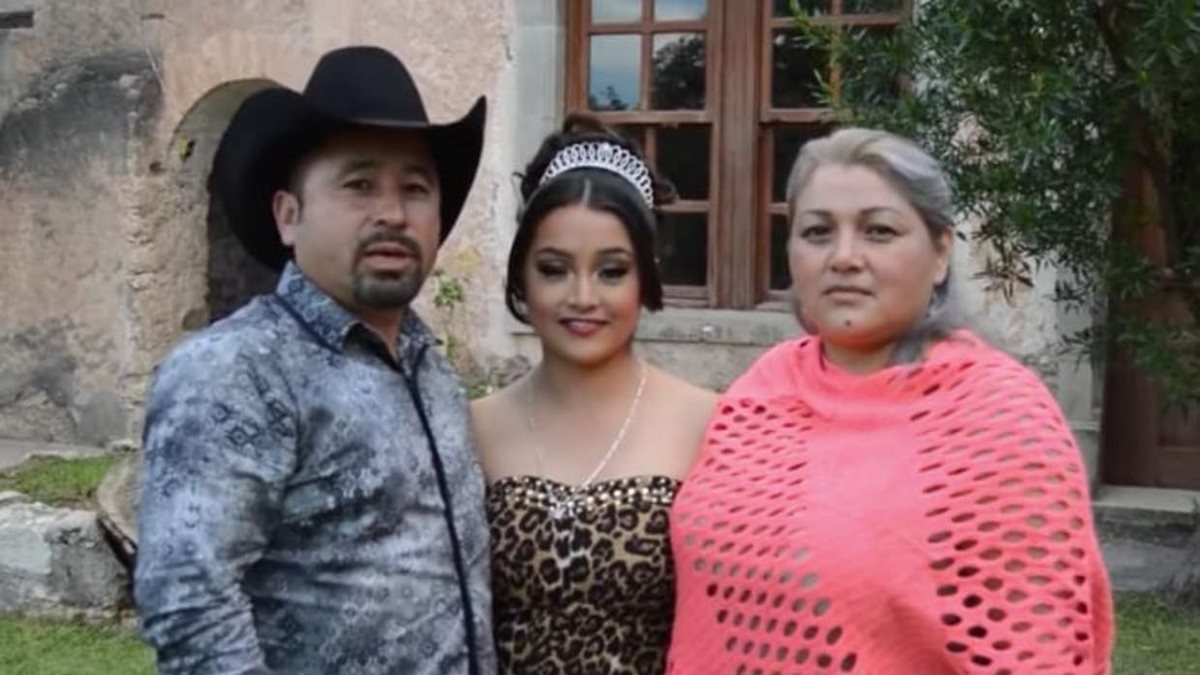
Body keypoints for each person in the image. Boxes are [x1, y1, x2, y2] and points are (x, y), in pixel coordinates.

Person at [667, 128, 1113, 674]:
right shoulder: (759, 395)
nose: (844, 257)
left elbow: (1034, 652)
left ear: (941, 253)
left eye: (878, 231)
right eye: (817, 232)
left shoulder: (1000, 418)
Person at [134, 46, 495, 675]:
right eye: (359, 184)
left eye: (415, 188)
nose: (392, 212)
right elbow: (192, 608)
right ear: (288, 215)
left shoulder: (430, 369)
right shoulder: (236, 371)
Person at [471, 115, 717, 674]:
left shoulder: (708, 424)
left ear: (646, 278)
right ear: (521, 280)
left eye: (611, 271)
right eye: (555, 270)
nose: (582, 297)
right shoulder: (473, 428)